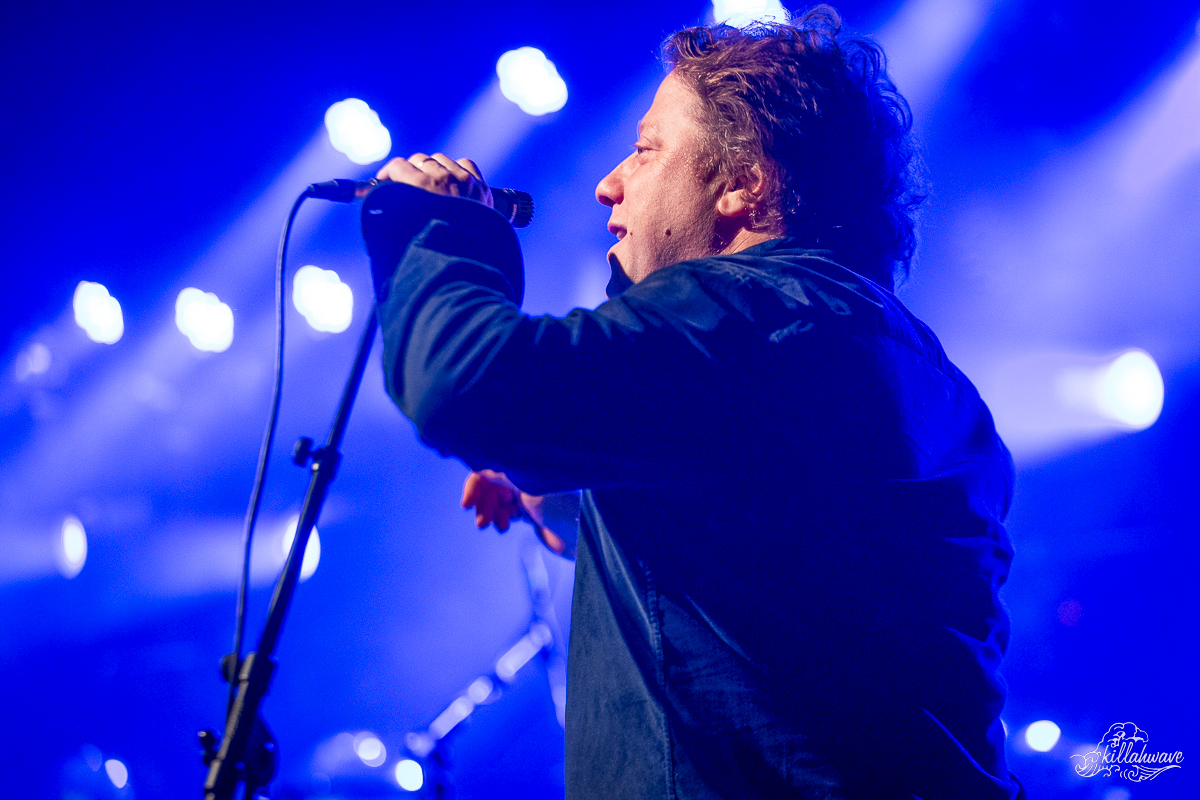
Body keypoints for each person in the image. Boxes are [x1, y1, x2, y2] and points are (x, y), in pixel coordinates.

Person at [370, 7, 1020, 799]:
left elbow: (459, 379)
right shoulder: (907, 371)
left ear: (746, 181)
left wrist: (440, 225)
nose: (610, 183)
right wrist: (557, 492)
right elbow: (767, 563)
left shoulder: (752, 314)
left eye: (646, 149)